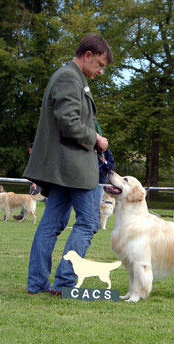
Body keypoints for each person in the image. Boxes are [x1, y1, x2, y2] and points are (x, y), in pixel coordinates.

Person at [23, 33, 113, 295]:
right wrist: (96, 138)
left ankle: (37, 285)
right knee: (88, 222)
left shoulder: (72, 77)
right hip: (73, 168)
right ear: (87, 56)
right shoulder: (68, 77)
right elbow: (69, 122)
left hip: (64, 169)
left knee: (50, 225)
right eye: (100, 64)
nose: (100, 71)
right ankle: (64, 283)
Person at [14, 143, 46, 221]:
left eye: (29, 150)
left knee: (29, 198)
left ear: (33, 149)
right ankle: (23, 215)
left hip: (38, 181)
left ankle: (22, 215)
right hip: (41, 181)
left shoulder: (37, 158)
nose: (29, 152)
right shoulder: (39, 157)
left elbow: (38, 171)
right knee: (44, 198)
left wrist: (34, 183)